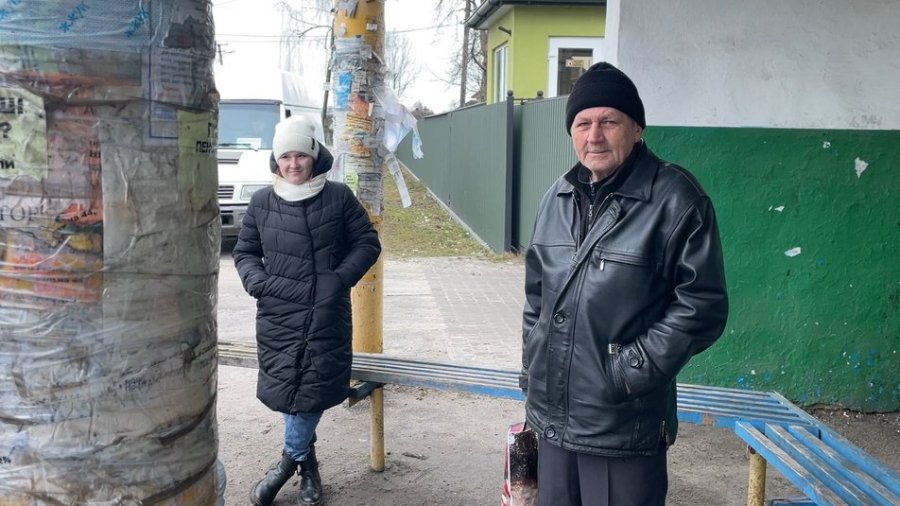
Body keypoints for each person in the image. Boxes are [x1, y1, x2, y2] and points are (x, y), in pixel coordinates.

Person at [520, 62, 729, 505]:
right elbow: (536, 301)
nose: (594, 136)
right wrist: (532, 369)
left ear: (637, 129)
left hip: (622, 422)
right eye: (583, 124)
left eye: (609, 122)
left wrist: (626, 372)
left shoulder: (675, 198)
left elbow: (702, 306)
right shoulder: (556, 197)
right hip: (552, 416)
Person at [233, 115, 381, 506]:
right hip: (278, 313)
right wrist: (258, 283)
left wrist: (339, 279)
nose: (293, 164)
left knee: (310, 390)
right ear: (276, 160)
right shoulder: (262, 202)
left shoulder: (338, 197)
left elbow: (367, 243)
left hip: (325, 313)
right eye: (286, 156)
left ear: (314, 156)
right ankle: (308, 466)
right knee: (290, 390)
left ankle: (286, 464)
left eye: (301, 155)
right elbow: (245, 252)